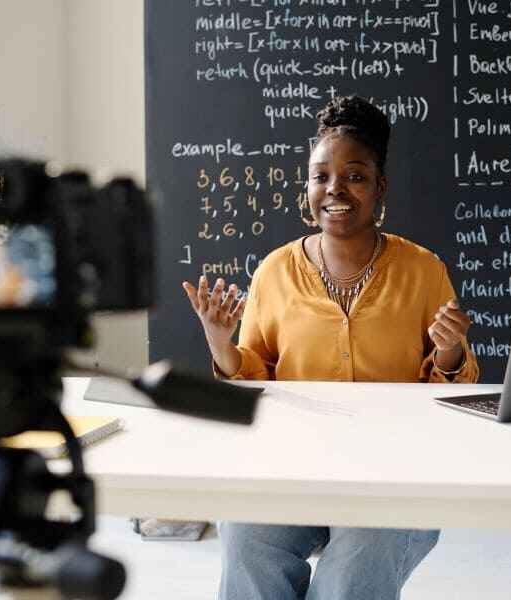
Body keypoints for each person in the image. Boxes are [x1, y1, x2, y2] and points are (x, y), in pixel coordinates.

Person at [182, 95, 479, 600]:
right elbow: (255, 382)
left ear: (380, 187)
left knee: (357, 564)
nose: (335, 189)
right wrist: (220, 342)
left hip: (395, 472)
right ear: (308, 186)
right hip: (294, 466)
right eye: (321, 176)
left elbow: (448, 391)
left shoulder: (423, 271)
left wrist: (450, 351)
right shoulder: (276, 270)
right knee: (246, 534)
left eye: (355, 176)